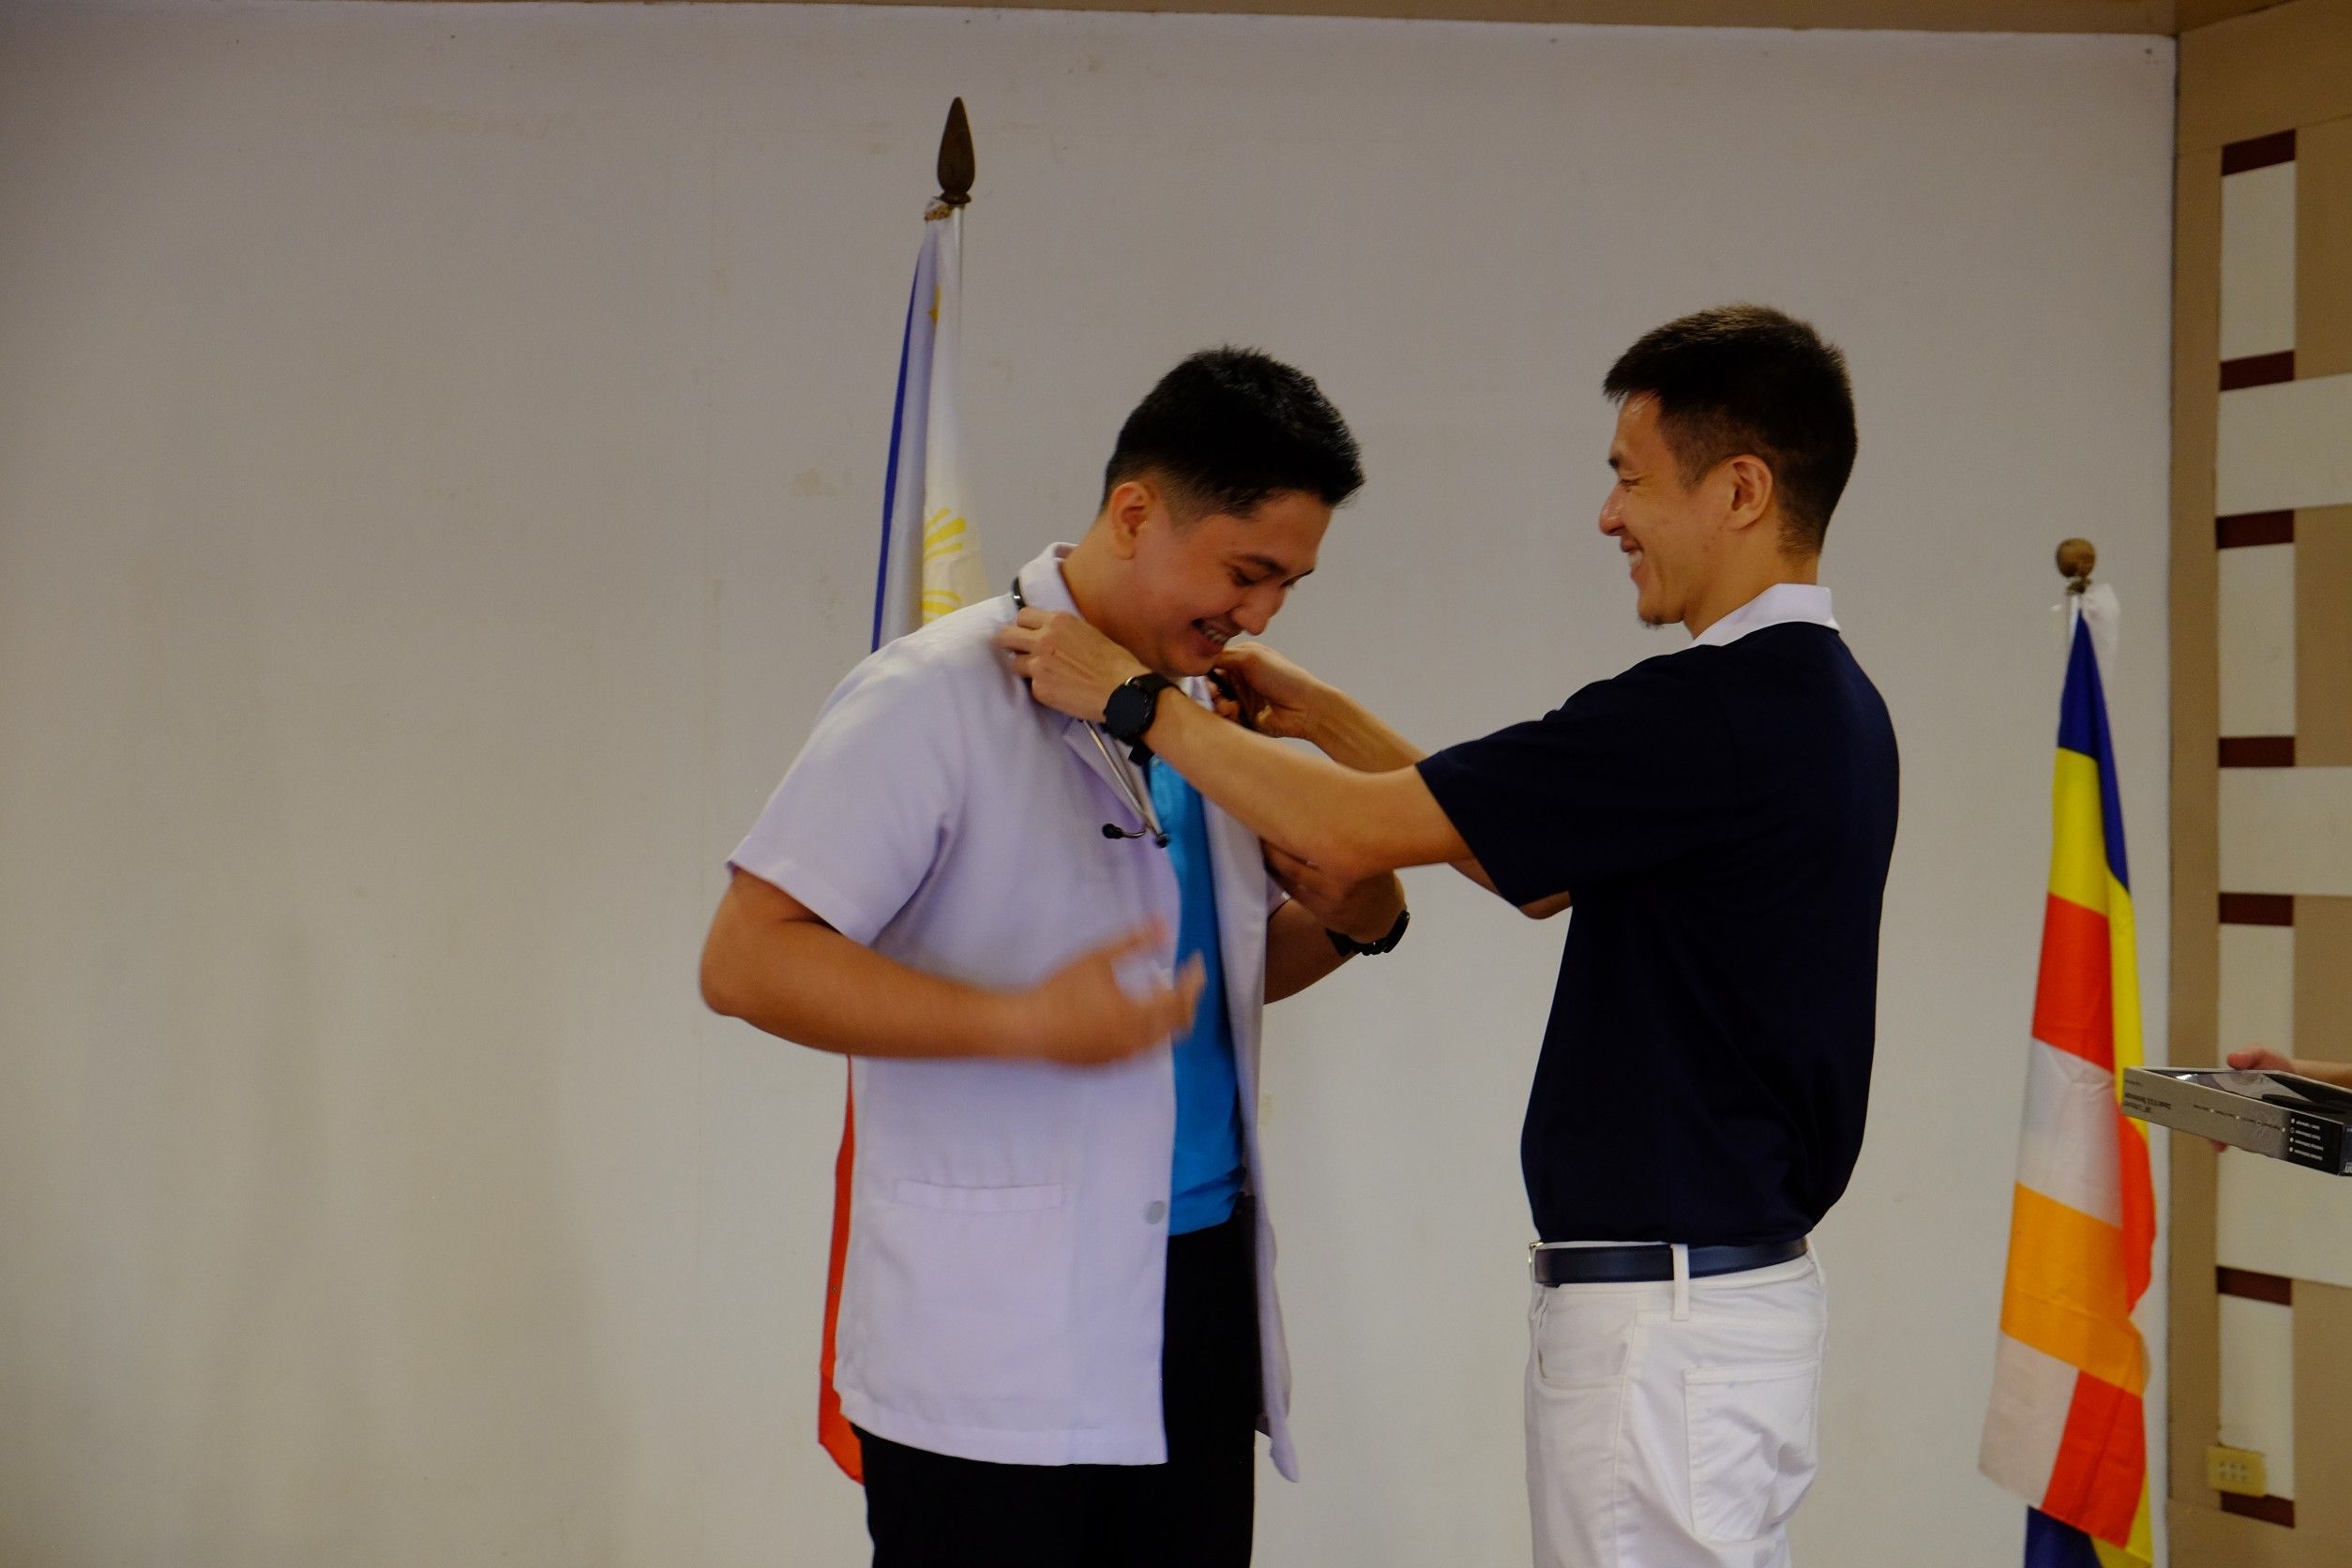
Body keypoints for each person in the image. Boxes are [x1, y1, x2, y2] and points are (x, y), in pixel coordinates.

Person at [1000, 304, 1899, 1568]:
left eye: (1628, 479)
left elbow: (1361, 836)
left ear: (1741, 489)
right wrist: (1315, 711)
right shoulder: (1822, 702)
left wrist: (1137, 702)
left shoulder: (1714, 713)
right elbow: (1525, 866)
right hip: (1710, 1316)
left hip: (1668, 1330)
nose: (1608, 517)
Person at [700, 347, 1406, 1568]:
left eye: (1288, 585)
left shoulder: (1204, 714)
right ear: (1136, 513)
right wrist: (1022, 1022)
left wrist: (1344, 926)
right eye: (1247, 573)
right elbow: (747, 959)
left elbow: (1196, 993)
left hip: (1192, 1306)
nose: (1261, 617)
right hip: (995, 1339)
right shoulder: (934, 694)